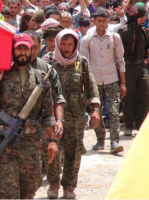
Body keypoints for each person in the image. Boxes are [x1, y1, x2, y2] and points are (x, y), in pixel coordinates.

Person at [0, 33, 58, 199]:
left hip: (31, 147)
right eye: (19, 49)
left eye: (26, 48)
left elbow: (48, 113)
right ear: (12, 51)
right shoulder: (1, 76)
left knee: (28, 192)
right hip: (4, 145)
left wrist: (52, 141)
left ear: (32, 50)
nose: (22, 52)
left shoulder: (40, 78)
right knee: (5, 193)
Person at [47, 29, 100, 199]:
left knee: (74, 153)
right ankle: (53, 183)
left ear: (76, 45)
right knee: (52, 151)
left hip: (76, 118)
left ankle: (69, 186)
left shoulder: (82, 62)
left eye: (70, 44)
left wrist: (96, 109)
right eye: (63, 43)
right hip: (55, 118)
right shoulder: (50, 63)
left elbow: (92, 87)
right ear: (58, 44)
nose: (67, 47)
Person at [25, 30, 66, 199]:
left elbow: (58, 97)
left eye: (35, 47)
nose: (31, 51)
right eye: (28, 47)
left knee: (51, 155)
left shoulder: (47, 69)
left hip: (44, 121)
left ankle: (54, 183)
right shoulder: (12, 66)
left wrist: (59, 120)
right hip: (21, 127)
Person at [80, 9, 126, 153]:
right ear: (93, 21)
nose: (102, 24)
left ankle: (114, 142)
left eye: (105, 21)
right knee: (96, 111)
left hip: (111, 78)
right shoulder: (87, 39)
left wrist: (123, 83)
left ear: (108, 20)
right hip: (93, 80)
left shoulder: (114, 37)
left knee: (113, 110)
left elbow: (121, 61)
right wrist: (83, 83)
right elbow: (82, 62)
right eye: (99, 21)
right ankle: (100, 139)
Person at [118, 3, 149, 135]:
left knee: (146, 94)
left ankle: (139, 124)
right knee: (128, 97)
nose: (146, 18)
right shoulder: (124, 31)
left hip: (141, 66)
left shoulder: (144, 31)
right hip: (128, 66)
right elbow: (119, 53)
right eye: (144, 16)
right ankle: (129, 126)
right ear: (140, 16)